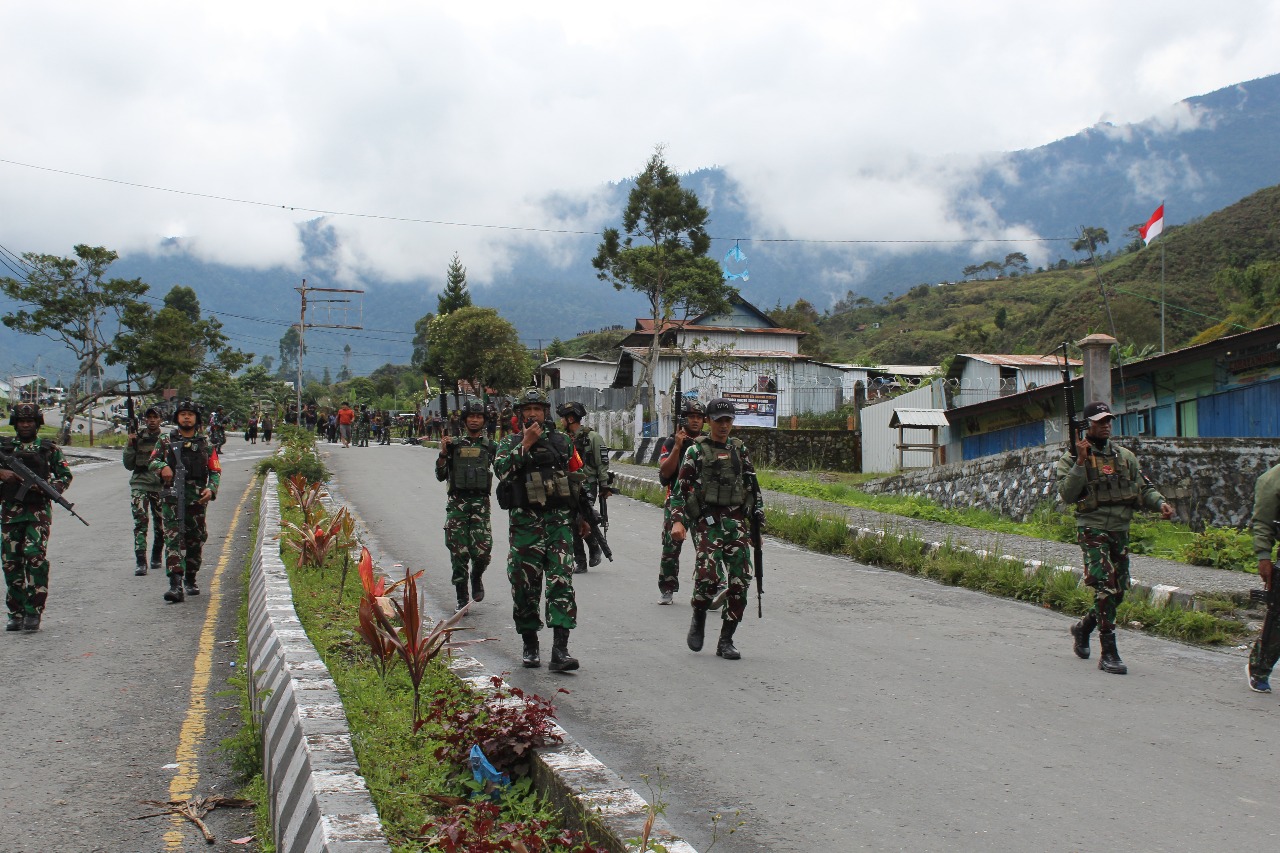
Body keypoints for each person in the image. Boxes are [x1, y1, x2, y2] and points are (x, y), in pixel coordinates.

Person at [1057, 401, 1174, 675]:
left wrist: (1160, 504)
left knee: (1120, 589)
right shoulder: (1072, 458)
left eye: (1109, 420)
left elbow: (1144, 487)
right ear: (1088, 426)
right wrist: (1082, 462)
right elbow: (1067, 494)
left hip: (1120, 530)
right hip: (1092, 529)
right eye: (1100, 421)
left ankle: (1083, 627)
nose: (1106, 425)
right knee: (1105, 586)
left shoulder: (1124, 457)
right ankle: (1109, 652)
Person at [494, 387, 586, 673]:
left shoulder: (563, 442)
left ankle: (560, 649)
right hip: (525, 527)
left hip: (558, 525)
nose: (533, 413)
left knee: (561, 584)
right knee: (524, 587)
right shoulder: (509, 443)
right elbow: (501, 471)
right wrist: (525, 445)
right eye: (527, 409)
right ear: (520, 413)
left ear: (546, 411)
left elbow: (575, 477)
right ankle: (530, 641)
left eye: (538, 408)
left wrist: (582, 515)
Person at [668, 398, 764, 661]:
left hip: (736, 522)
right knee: (708, 577)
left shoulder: (739, 450)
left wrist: (757, 528)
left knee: (741, 580)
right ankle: (699, 612)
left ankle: (726, 640)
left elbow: (753, 489)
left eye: (728, 420)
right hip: (708, 522)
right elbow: (680, 491)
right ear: (709, 421)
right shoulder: (696, 451)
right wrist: (677, 521)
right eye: (719, 420)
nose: (724, 425)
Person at [1, 402, 73, 632]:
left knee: (34, 557)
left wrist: (47, 488)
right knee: (11, 563)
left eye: (29, 421)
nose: (24, 425)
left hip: (37, 513)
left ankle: (33, 611)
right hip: (10, 512)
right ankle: (16, 612)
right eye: (21, 421)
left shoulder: (48, 449)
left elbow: (65, 476)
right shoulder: (5, 448)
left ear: (37, 423)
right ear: (15, 423)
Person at [150, 400, 220, 603]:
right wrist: (163, 467)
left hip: (197, 500)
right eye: (183, 414)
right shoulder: (165, 440)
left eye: (190, 414)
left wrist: (211, 489)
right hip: (172, 498)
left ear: (197, 418)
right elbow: (153, 461)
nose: (186, 417)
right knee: (172, 538)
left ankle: (191, 577)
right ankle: (175, 583)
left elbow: (215, 470)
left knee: (195, 539)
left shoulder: (205, 443)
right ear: (177, 418)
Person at [435, 401, 497, 611]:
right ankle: (462, 597)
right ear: (464, 420)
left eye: (478, 417)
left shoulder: (490, 446)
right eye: (470, 416)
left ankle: (477, 576)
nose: (474, 419)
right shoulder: (454, 444)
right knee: (458, 552)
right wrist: (443, 453)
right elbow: (440, 475)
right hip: (457, 504)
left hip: (481, 504)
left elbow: (503, 470)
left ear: (484, 421)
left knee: (482, 552)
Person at [657, 399, 706, 604]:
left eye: (699, 417)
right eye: (691, 417)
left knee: (706, 545)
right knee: (671, 546)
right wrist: (678, 446)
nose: (695, 421)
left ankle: (710, 587)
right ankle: (667, 587)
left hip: (702, 502)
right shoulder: (671, 442)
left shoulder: (708, 443)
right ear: (683, 419)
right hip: (677, 500)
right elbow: (664, 474)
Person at [557, 401, 610, 574]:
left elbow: (602, 463)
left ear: (570, 418)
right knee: (573, 522)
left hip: (588, 484)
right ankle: (581, 561)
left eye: (563, 418)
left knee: (582, 519)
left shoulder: (593, 437)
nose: (561, 421)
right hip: (570, 484)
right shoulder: (563, 438)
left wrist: (604, 485)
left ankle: (595, 547)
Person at [1246, 461, 1280, 693]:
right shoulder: (1273, 479)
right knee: (1278, 620)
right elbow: (1262, 522)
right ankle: (1259, 668)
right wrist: (1263, 556)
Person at [123, 405, 166, 576]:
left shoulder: (165, 439)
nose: (152, 420)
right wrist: (130, 445)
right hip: (139, 483)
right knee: (140, 521)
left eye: (155, 417)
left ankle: (156, 555)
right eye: (149, 418)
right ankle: (141, 561)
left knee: (161, 524)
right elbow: (128, 464)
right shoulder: (138, 437)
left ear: (160, 419)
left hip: (159, 485)